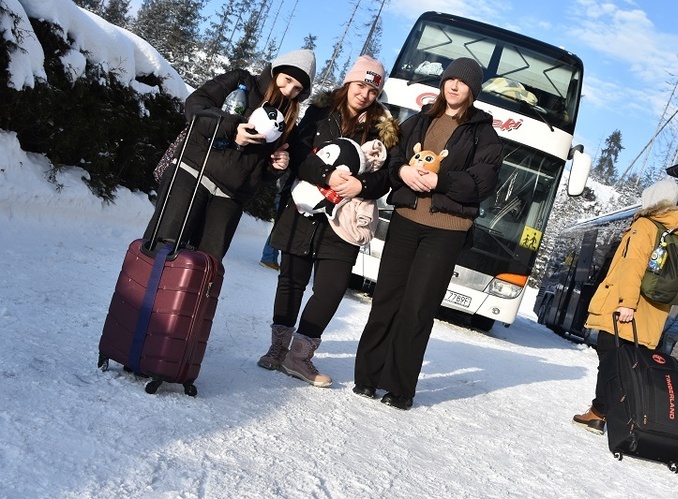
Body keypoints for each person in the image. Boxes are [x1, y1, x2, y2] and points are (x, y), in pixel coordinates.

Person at [353, 58, 505, 410]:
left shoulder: (484, 133)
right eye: (450, 78)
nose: (453, 86)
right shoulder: (418, 120)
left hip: (446, 231)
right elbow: (392, 159)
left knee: (418, 308)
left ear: (472, 90)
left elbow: (483, 181)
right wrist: (403, 170)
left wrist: (441, 181)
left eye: (462, 82)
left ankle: (400, 388)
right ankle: (367, 377)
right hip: (406, 221)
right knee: (386, 299)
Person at [257, 55, 400, 387]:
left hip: (345, 220)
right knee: (291, 281)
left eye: (372, 90)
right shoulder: (320, 113)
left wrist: (360, 184)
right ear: (349, 82)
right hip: (304, 209)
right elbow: (299, 152)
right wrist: (328, 174)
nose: (364, 94)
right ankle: (278, 349)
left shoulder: (384, 130)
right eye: (361, 86)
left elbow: (388, 179)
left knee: (331, 289)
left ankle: (299, 356)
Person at [144, 49, 317, 261]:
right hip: (193, 173)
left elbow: (260, 172)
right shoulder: (240, 81)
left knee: (204, 267)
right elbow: (195, 105)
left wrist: (276, 167)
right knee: (161, 250)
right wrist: (232, 128)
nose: (289, 90)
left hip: (230, 198)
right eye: (287, 79)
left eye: (297, 88)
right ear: (276, 72)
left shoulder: (287, 121)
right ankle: (143, 294)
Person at [573, 176, 678, 433]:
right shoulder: (677, 236)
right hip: (651, 318)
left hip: (626, 311)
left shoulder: (645, 226)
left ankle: (599, 412)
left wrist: (626, 303)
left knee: (610, 360)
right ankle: (624, 415)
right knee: (627, 366)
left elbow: (632, 266)